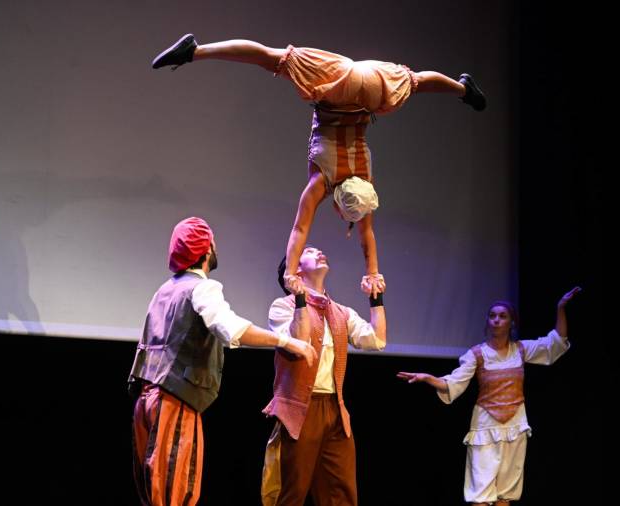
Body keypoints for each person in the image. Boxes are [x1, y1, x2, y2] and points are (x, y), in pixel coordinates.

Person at [150, 34, 487, 297]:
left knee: (415, 83)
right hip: (338, 88)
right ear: (340, 205)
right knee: (271, 60)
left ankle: (462, 89)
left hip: (370, 82)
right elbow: (300, 229)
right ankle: (195, 50)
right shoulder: (324, 182)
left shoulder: (365, 179)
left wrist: (372, 271)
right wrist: (290, 272)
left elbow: (367, 235)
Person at [127, 216, 317, 506]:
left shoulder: (164, 290)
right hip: (173, 401)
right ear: (205, 251)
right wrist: (288, 341)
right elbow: (230, 328)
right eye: (213, 243)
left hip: (146, 401)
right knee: (175, 493)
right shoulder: (202, 287)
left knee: (155, 496)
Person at [397, 287, 581, 505]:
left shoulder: (521, 350)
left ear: (511, 323)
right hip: (485, 425)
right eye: (492, 315)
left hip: (515, 425)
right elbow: (453, 382)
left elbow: (556, 343)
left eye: (502, 316)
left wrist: (560, 308)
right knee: (481, 492)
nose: (496, 320)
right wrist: (428, 378)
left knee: (506, 493)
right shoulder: (477, 354)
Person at [260, 246, 388, 505]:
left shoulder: (341, 312)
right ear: (294, 270)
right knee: (291, 492)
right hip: (300, 410)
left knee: (340, 493)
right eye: (308, 250)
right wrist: (299, 299)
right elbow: (299, 341)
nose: (319, 251)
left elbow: (377, 340)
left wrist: (376, 299)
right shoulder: (281, 307)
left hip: (334, 409)